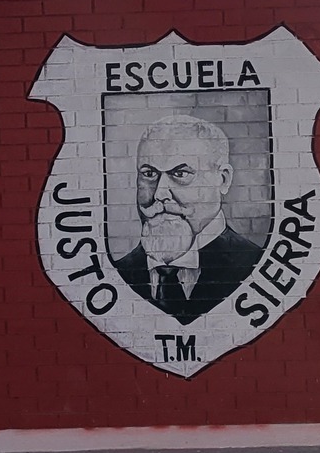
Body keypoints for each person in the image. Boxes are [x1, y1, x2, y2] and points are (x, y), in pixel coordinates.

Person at [112, 114, 263, 324]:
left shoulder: (257, 267)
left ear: (223, 179)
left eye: (180, 174)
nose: (160, 193)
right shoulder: (116, 274)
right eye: (149, 174)